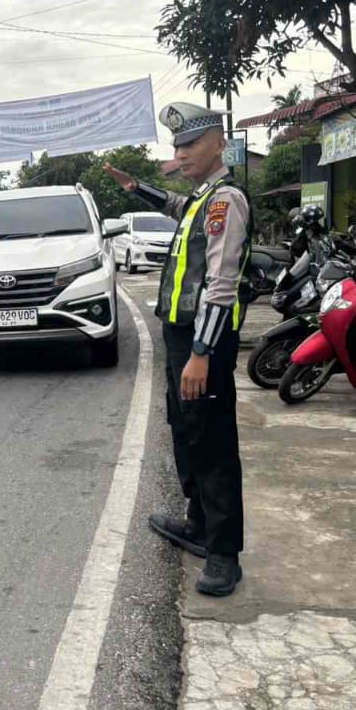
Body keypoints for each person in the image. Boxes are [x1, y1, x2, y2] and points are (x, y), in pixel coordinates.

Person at [104, 102, 253, 597]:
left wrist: (202, 351)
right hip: (180, 336)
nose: (180, 153)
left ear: (219, 143)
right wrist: (134, 188)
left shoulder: (225, 201)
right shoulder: (201, 199)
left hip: (201, 340)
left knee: (211, 441)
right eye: (176, 147)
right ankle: (197, 522)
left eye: (189, 144)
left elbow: (221, 284)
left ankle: (224, 552)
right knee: (186, 430)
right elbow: (174, 206)